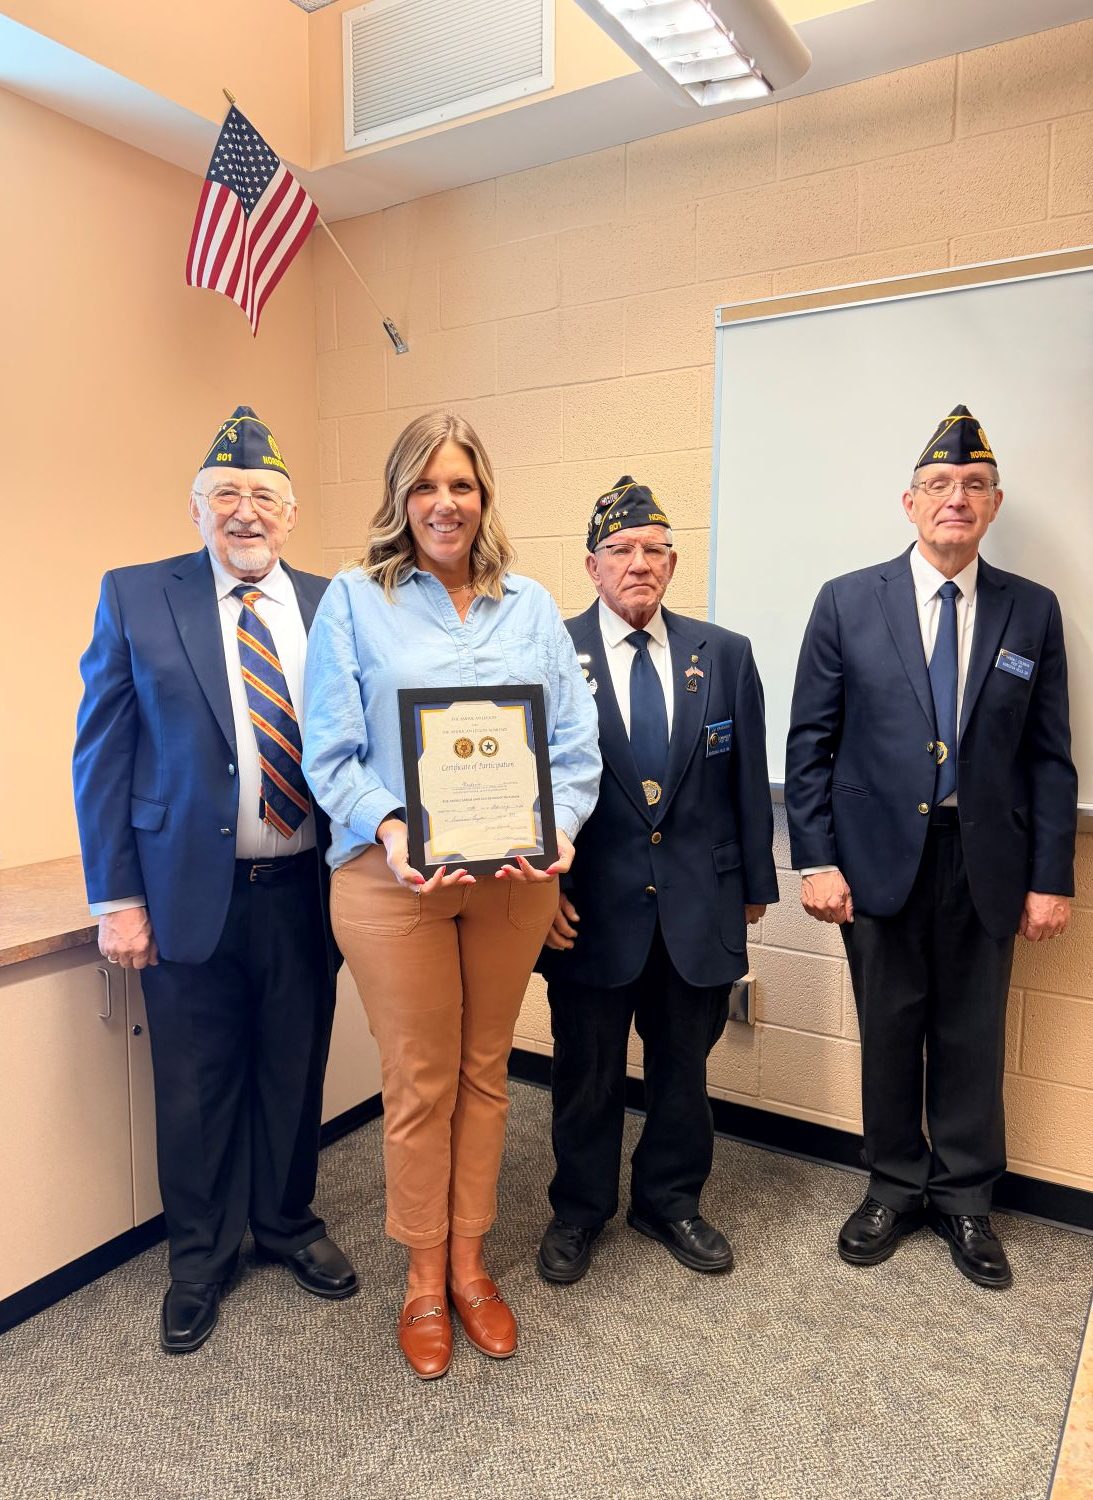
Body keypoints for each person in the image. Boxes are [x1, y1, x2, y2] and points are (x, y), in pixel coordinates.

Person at [301, 410, 600, 1379]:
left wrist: (559, 828)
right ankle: (423, 1278)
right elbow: (330, 749)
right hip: (394, 882)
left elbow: (574, 748)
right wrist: (390, 825)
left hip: (512, 882)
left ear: (484, 496)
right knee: (420, 1081)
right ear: (400, 497)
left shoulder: (530, 607)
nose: (444, 503)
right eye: (425, 486)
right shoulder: (354, 600)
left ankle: (472, 1265)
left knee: (485, 1071)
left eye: (461, 485)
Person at [73, 406, 356, 1354]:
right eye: (225, 494)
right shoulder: (136, 595)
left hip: (306, 888)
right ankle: (198, 1258)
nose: (245, 511)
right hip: (186, 893)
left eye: (265, 496)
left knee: (294, 1066)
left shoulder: (333, 603)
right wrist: (117, 899)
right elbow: (102, 756)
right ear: (195, 509)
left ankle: (285, 1223)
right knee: (193, 1086)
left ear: (291, 514)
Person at [785, 404, 1076, 1288]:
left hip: (985, 860)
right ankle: (891, 1185)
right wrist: (816, 859)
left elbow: (1048, 756)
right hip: (874, 859)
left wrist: (1050, 876)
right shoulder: (846, 600)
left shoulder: (1030, 610)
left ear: (994, 505)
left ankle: (963, 1199)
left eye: (974, 485)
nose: (957, 498)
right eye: (939, 484)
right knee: (889, 1028)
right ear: (908, 502)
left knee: (971, 1035)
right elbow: (809, 743)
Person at [535, 477, 778, 1285]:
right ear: (591, 565)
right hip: (588, 909)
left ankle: (669, 1201)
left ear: (671, 563)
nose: (638, 563)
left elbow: (746, 780)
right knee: (586, 1073)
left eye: (653, 550)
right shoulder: (548, 652)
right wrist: (538, 891)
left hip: (696, 905)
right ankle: (579, 1209)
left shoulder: (724, 654)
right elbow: (527, 783)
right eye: (620, 549)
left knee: (683, 1073)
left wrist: (753, 887)